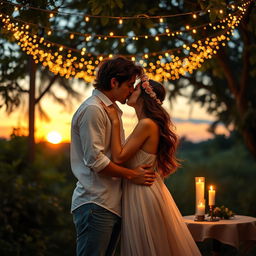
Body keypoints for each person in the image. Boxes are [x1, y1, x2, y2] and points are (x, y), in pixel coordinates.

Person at [101, 74, 202, 255]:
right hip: (141, 189)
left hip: (142, 193)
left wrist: (115, 120)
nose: (131, 90)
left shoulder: (146, 124)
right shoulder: (147, 124)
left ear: (145, 96)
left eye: (136, 88)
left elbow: (118, 157)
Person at [70, 57, 156, 256]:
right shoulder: (94, 109)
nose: (131, 90)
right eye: (129, 85)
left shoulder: (111, 110)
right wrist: (132, 174)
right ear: (114, 82)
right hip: (95, 202)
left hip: (110, 203)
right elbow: (95, 160)